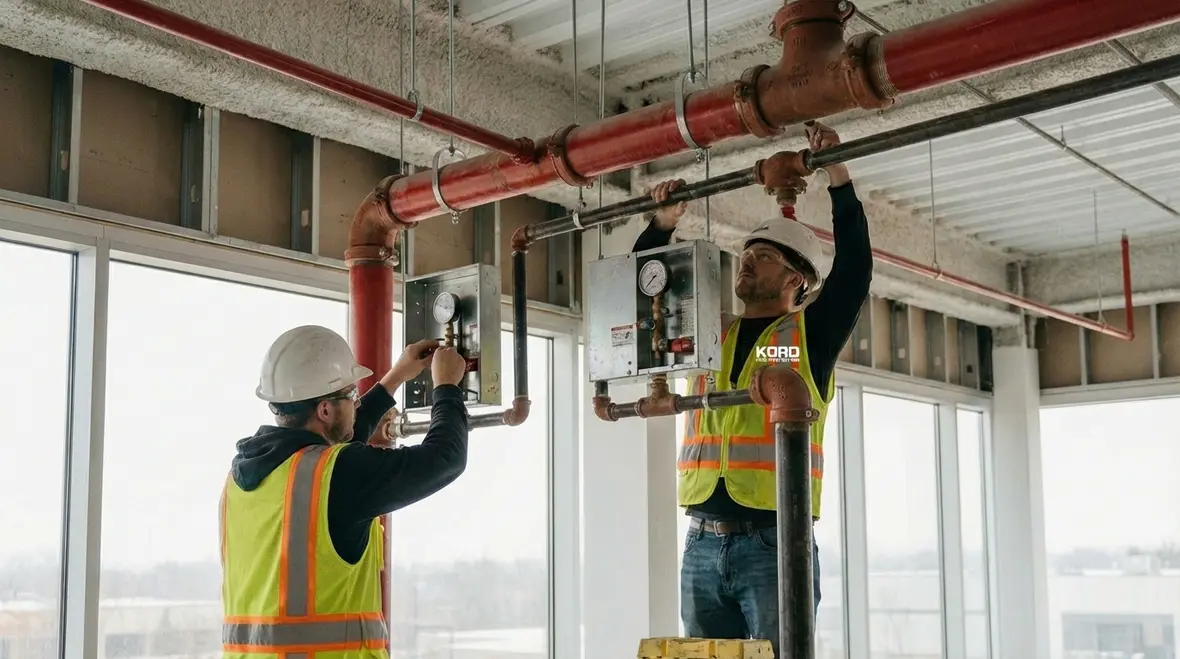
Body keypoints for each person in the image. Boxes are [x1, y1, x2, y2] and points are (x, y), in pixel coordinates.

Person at [632, 122, 872, 655]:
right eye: (747, 252)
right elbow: (646, 291)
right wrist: (661, 226)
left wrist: (838, 174)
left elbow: (854, 272)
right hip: (699, 539)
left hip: (774, 543)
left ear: (796, 281)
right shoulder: (712, 334)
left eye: (763, 256)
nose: (747, 259)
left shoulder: (806, 337)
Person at [219, 325, 470, 658]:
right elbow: (445, 459)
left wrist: (394, 378)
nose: (356, 402)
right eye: (351, 395)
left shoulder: (240, 481)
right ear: (324, 410)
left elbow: (340, 440)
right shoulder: (335, 474)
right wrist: (447, 387)